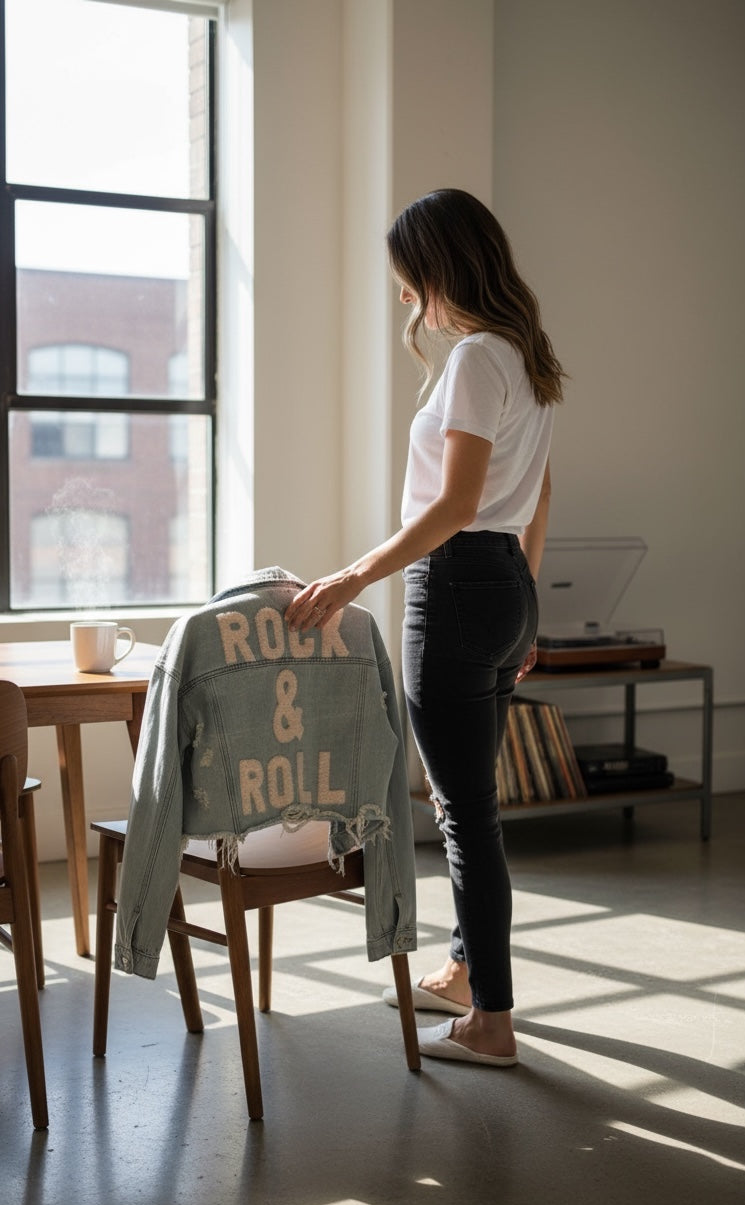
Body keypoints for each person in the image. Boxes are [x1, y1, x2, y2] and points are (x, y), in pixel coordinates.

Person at [284, 188, 565, 1066]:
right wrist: (525, 608)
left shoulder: (478, 358)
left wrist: (352, 576)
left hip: (452, 587)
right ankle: (461, 970)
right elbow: (541, 493)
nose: (409, 301)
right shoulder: (528, 356)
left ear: (441, 270)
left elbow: (455, 504)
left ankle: (491, 1023)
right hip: (506, 585)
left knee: (463, 813)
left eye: (411, 283)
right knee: (467, 801)